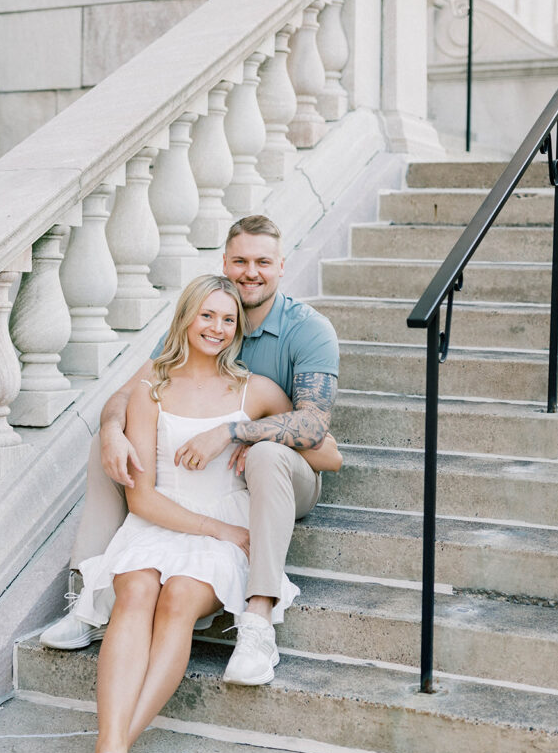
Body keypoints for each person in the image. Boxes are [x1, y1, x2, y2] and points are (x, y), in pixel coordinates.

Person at [62, 274, 340, 753]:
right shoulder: (152, 391)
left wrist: (246, 431)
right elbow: (140, 500)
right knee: (136, 591)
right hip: (167, 523)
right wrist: (217, 533)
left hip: (226, 522)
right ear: (186, 318)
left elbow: (328, 453)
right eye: (206, 316)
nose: (216, 328)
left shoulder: (254, 389)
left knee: (180, 598)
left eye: (228, 319)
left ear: (238, 329)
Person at [42, 215, 341, 685]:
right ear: (225, 262)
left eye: (263, 262)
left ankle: (259, 621)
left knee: (265, 456)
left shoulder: (307, 330)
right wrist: (109, 430)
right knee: (115, 450)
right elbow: (129, 393)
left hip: (281, 473)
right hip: (210, 474)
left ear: (281, 267)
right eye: (240, 260)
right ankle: (89, 596)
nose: (250, 272)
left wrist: (237, 431)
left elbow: (320, 436)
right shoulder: (209, 317)